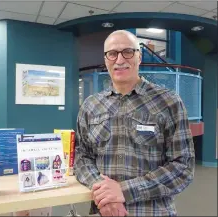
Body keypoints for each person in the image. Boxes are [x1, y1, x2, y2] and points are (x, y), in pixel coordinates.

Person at [74, 30, 195, 216]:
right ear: (106, 60)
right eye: (112, 54)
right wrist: (103, 191)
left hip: (153, 211)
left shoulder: (169, 102)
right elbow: (82, 157)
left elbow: (183, 167)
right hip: (104, 211)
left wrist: (124, 190)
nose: (120, 60)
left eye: (128, 52)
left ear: (139, 57)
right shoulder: (90, 106)